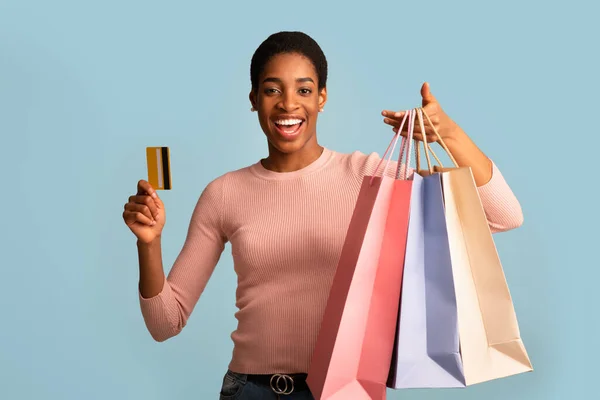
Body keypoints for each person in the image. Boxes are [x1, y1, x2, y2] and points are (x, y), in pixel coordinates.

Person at [122, 31, 523, 400]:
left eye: (304, 89)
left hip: (345, 391)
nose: (288, 104)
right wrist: (150, 244)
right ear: (253, 99)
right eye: (272, 90)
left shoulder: (371, 176)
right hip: (249, 391)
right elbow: (165, 324)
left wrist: (448, 134)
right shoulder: (224, 193)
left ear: (322, 98)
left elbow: (504, 215)